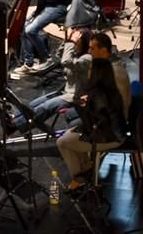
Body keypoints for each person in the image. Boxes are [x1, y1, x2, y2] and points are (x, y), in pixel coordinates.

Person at [56, 33, 132, 191]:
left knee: (63, 142)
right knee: (71, 130)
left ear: (103, 50)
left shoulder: (113, 72)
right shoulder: (111, 66)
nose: (89, 52)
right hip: (105, 125)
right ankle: (86, 172)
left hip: (110, 132)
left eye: (92, 48)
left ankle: (80, 178)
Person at [0, 28, 91, 134]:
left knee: (45, 107)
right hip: (66, 92)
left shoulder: (87, 58)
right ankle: (13, 117)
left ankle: (14, 126)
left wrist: (70, 43)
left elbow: (66, 61)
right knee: (35, 103)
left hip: (76, 97)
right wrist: (67, 40)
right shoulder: (75, 52)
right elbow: (58, 56)